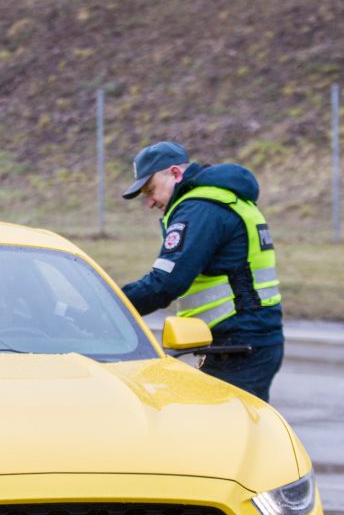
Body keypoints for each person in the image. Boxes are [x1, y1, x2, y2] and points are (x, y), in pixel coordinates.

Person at [121, 141, 283, 402]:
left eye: (150, 190)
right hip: (250, 342)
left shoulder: (199, 209)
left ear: (175, 173)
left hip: (238, 348)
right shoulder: (225, 198)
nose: (150, 202)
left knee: (221, 435)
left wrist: (110, 306)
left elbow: (165, 283)